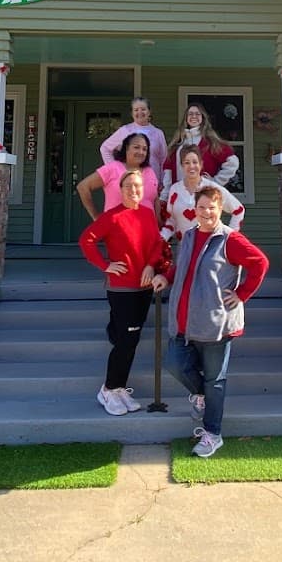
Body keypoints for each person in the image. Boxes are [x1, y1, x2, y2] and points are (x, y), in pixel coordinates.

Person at [153, 185, 269, 457]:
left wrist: (241, 294)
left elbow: (260, 263)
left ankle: (212, 434)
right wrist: (165, 278)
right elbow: (179, 266)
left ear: (220, 210)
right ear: (195, 209)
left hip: (216, 323)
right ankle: (201, 396)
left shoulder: (230, 239)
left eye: (212, 208)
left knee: (215, 380)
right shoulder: (189, 236)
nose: (206, 212)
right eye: (202, 207)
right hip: (184, 321)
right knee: (174, 364)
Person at [78, 169, 169, 415]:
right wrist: (105, 265)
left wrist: (151, 265)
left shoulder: (148, 214)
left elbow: (156, 244)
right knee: (125, 341)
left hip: (144, 286)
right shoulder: (112, 216)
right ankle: (108, 389)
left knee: (132, 340)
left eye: (138, 186)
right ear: (121, 189)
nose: (134, 190)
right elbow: (86, 240)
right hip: (122, 289)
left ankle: (120, 388)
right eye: (129, 186)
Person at [161, 146, 245, 241]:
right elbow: (171, 221)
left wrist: (228, 239)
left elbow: (238, 210)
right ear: (182, 166)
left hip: (209, 249)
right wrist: (162, 239)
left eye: (195, 162)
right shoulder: (175, 190)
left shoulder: (212, 188)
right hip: (185, 249)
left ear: (201, 164)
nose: (191, 166)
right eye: (187, 162)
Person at [77, 132, 160, 218]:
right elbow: (83, 187)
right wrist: (96, 217)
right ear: (127, 148)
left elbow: (155, 198)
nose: (141, 152)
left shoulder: (150, 171)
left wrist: (159, 222)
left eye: (144, 149)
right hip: (117, 228)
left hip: (147, 228)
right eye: (136, 147)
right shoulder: (113, 168)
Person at [162, 103, 239, 190]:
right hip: (180, 195)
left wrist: (215, 182)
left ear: (203, 118)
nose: (194, 116)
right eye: (190, 114)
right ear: (186, 118)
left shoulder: (210, 141)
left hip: (203, 195)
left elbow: (232, 162)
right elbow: (168, 171)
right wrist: (165, 195)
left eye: (197, 114)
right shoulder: (178, 143)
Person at [99, 97, 169, 177]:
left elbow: (164, 159)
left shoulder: (158, 133)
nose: (140, 112)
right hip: (130, 182)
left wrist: (163, 181)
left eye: (143, 109)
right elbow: (105, 148)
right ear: (132, 113)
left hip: (154, 181)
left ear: (149, 112)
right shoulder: (125, 130)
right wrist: (115, 170)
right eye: (136, 110)